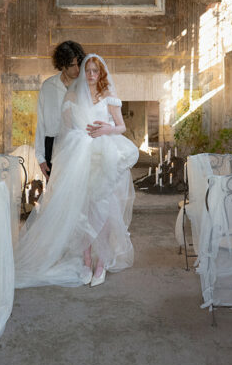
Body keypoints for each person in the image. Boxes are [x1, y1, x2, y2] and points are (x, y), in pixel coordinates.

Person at [15, 54, 139, 288]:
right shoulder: (72, 96)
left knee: (103, 211)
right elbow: (66, 131)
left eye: (95, 71)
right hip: (79, 156)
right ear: (82, 72)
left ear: (101, 73)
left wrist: (107, 129)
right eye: (88, 70)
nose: (92, 75)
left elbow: (121, 126)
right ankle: (85, 261)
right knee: (82, 211)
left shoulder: (109, 97)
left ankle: (101, 263)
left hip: (105, 157)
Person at [34, 41, 86, 181]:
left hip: (80, 145)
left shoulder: (86, 86)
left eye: (79, 64)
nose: (78, 69)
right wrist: (40, 157)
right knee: (55, 194)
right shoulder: (48, 86)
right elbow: (41, 123)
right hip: (53, 145)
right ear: (62, 65)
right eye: (72, 65)